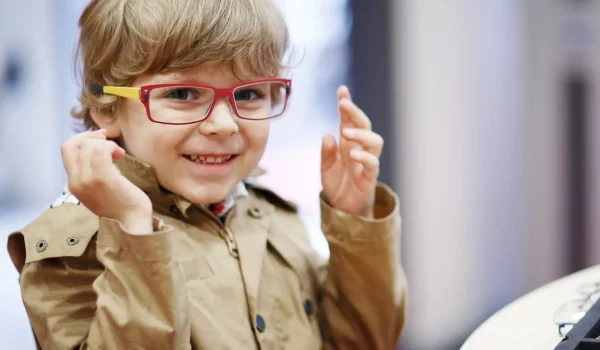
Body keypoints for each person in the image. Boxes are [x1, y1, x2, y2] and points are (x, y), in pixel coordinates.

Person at [7, 0, 407, 348]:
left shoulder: (271, 217)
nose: (223, 125)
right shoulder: (68, 249)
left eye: (248, 94)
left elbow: (367, 342)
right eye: (181, 94)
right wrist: (132, 233)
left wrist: (354, 218)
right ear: (107, 106)